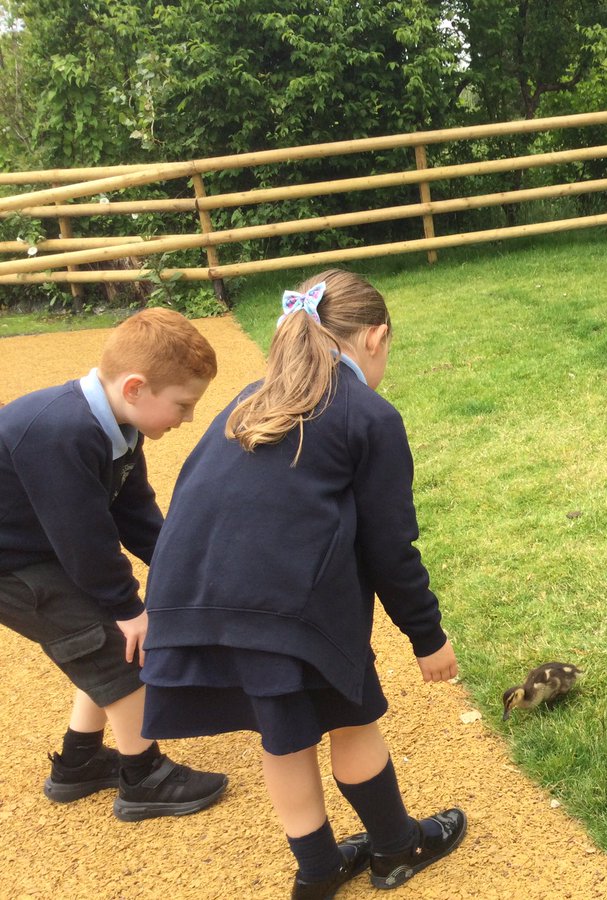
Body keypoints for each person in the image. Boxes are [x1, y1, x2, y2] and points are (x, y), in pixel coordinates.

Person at [140, 270, 466, 899]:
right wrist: (428, 637)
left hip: (198, 595)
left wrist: (165, 608)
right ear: (376, 337)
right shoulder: (368, 414)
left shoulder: (249, 398)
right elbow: (389, 547)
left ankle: (317, 872)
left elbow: (189, 501)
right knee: (351, 720)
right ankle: (397, 848)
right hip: (291, 608)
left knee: (283, 736)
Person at [0, 308, 228, 820]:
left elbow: (133, 512)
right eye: (183, 405)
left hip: (42, 548)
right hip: (12, 566)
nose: (187, 418)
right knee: (114, 646)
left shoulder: (117, 428)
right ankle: (142, 776)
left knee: (103, 636)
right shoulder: (59, 430)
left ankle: (79, 764)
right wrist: (129, 607)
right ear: (135, 388)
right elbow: (85, 537)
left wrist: (185, 567)